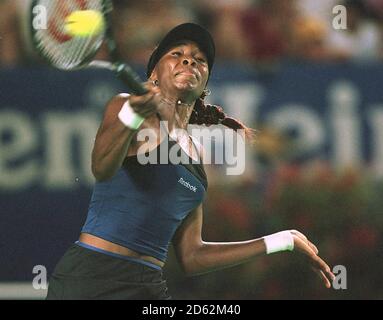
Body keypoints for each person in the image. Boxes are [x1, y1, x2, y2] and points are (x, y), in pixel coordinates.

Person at [46, 23, 335, 300]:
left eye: (199, 60)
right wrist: (132, 115)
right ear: (154, 74)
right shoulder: (125, 106)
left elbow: (192, 256)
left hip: (147, 285)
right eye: (177, 54)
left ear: (205, 83)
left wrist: (281, 241)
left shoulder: (196, 160)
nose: (189, 62)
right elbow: (101, 167)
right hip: (90, 278)